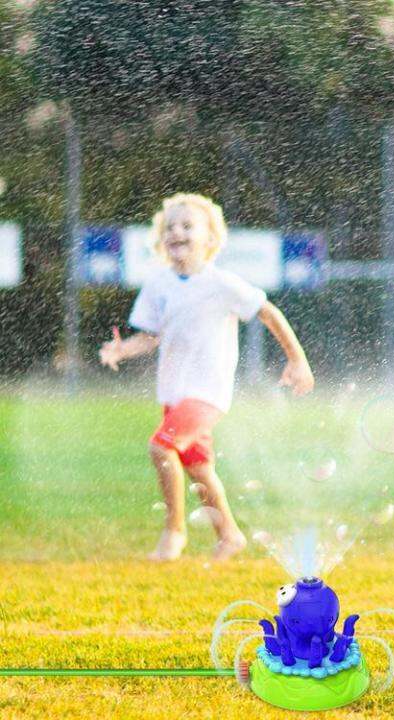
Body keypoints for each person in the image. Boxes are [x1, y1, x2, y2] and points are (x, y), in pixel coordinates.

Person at [99, 193, 314, 562]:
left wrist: (297, 360)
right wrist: (121, 350)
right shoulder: (158, 284)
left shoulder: (221, 283)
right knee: (199, 470)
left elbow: (268, 312)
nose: (177, 232)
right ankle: (229, 535)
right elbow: (150, 335)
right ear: (161, 238)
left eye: (187, 226)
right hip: (174, 392)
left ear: (210, 238)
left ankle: (174, 532)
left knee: (161, 447)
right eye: (170, 227)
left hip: (208, 393)